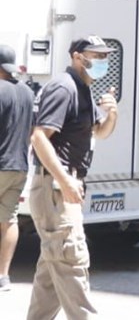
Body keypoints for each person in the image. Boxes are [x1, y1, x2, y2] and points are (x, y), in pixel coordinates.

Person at [26, 36, 119, 319]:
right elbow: (39, 137)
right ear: (78, 57)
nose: (103, 61)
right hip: (55, 188)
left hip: (63, 187)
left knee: (52, 272)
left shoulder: (83, 89)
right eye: (97, 56)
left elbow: (98, 132)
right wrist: (65, 180)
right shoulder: (64, 88)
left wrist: (112, 114)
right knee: (72, 261)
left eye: (105, 56)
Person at [0, 45, 34, 293]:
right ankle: (3, 276)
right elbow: (32, 130)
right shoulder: (27, 92)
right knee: (9, 220)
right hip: (19, 166)